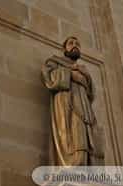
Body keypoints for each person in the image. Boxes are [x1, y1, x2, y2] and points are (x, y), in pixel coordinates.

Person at [41, 36, 104, 166]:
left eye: (77, 43)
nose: (75, 45)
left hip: (84, 108)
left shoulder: (83, 69)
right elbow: (48, 76)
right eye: (71, 43)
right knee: (74, 134)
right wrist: (70, 74)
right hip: (67, 105)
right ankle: (75, 165)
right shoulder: (55, 62)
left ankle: (89, 166)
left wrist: (85, 76)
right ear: (64, 48)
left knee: (88, 135)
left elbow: (91, 93)